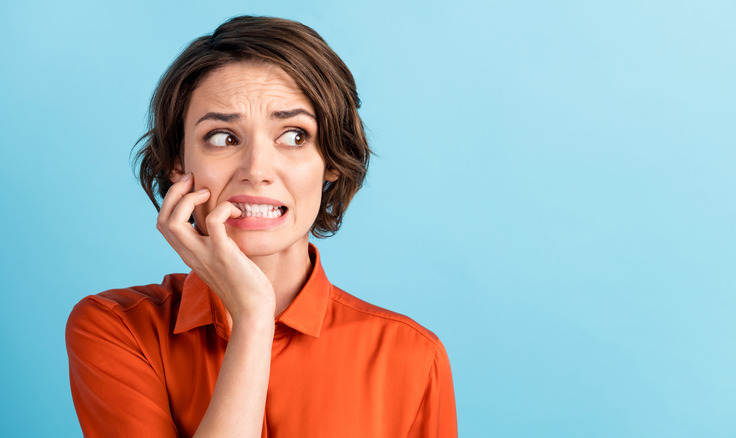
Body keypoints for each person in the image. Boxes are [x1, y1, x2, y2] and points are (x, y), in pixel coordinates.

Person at [65, 15, 457, 437]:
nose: (257, 170)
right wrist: (253, 318)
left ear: (331, 162)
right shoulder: (118, 327)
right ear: (179, 163)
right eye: (222, 138)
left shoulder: (412, 357)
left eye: (293, 136)